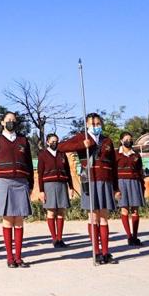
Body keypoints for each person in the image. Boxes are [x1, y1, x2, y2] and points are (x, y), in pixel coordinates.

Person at [60, 113, 119, 265]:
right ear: (87, 124)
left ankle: (106, 252)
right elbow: (62, 147)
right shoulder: (81, 137)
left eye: (98, 123)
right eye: (93, 124)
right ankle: (96, 251)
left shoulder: (107, 141)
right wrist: (82, 145)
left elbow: (114, 165)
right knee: (93, 216)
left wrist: (116, 187)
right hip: (89, 178)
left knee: (104, 217)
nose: (96, 126)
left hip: (105, 179)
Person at [0, 112, 33, 268]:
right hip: (3, 182)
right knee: (7, 220)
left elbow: (28, 163)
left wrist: (31, 184)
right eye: (8, 120)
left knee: (19, 221)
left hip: (21, 182)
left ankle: (19, 257)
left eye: (13, 120)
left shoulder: (23, 140)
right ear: (2, 122)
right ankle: (9, 257)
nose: (11, 122)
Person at [36, 133, 75, 248]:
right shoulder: (43, 155)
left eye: (56, 141)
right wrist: (41, 190)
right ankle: (54, 238)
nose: (55, 143)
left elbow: (68, 171)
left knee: (61, 211)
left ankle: (60, 238)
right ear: (47, 142)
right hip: (49, 185)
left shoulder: (62, 154)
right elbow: (40, 173)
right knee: (51, 211)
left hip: (62, 184)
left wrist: (71, 187)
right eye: (52, 141)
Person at [115, 131, 145, 246]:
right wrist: (115, 188)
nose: (129, 141)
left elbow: (140, 171)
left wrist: (142, 185)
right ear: (121, 141)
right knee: (124, 209)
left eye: (130, 139)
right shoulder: (116, 154)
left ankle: (135, 236)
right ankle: (129, 236)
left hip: (135, 182)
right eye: (126, 139)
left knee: (135, 210)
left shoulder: (136, 154)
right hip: (121, 182)